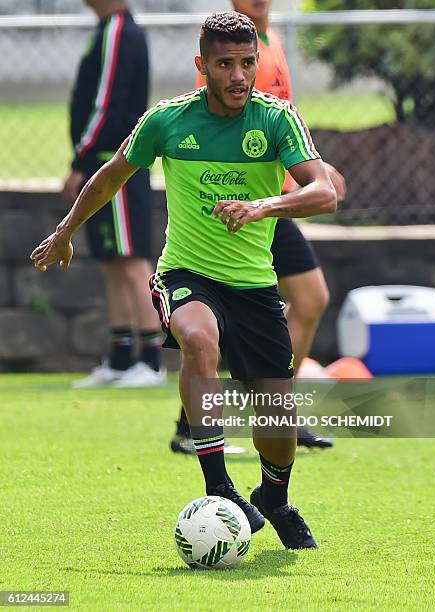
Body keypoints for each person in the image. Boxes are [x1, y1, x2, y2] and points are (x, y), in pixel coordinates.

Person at [31, 12, 337, 549]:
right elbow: (110, 176)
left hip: (254, 286)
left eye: (248, 63)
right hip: (184, 274)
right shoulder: (167, 121)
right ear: (203, 67)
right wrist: (64, 230)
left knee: (277, 426)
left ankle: (274, 497)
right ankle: (219, 487)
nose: (240, 76)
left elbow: (324, 192)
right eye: (226, 65)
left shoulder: (276, 120)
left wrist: (264, 205)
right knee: (198, 340)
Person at [170, 0, 345, 454]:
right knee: (236, 316)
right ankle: (217, 417)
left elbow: (284, 119)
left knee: (310, 299)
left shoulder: (269, 41)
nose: (238, 73)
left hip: (275, 199)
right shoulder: (237, 55)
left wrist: (315, 169)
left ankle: (267, 405)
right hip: (243, 203)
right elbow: (222, 121)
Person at [63, 0, 165, 388]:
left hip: (116, 166)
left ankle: (151, 359)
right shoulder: (107, 30)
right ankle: (122, 358)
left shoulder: (121, 31)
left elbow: (106, 103)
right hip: (100, 164)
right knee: (111, 260)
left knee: (132, 258)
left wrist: (81, 158)